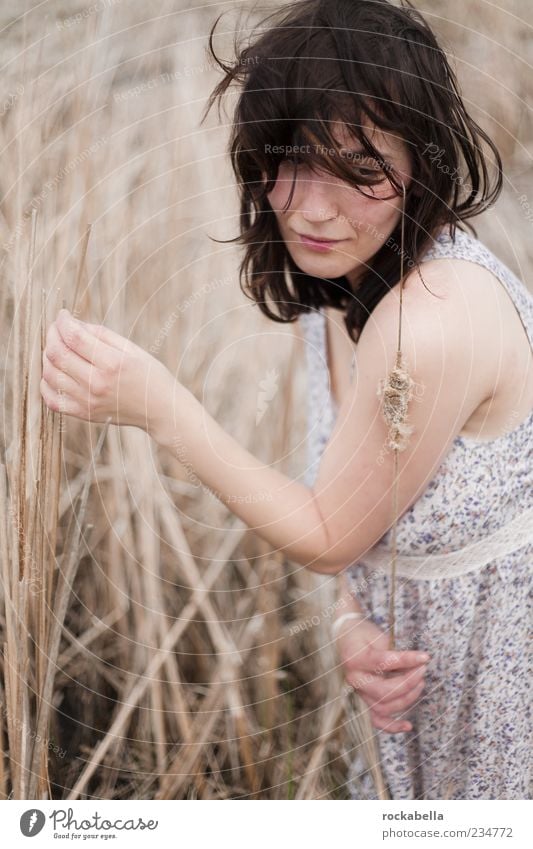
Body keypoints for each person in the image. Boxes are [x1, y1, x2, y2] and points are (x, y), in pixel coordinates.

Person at [40, 0, 532, 799]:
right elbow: (351, 495)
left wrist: (162, 406)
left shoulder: (429, 323)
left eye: (359, 168)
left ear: (423, 166)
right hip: (417, 702)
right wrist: (347, 621)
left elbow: (331, 529)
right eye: (289, 158)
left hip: (500, 709)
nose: (311, 207)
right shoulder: (346, 281)